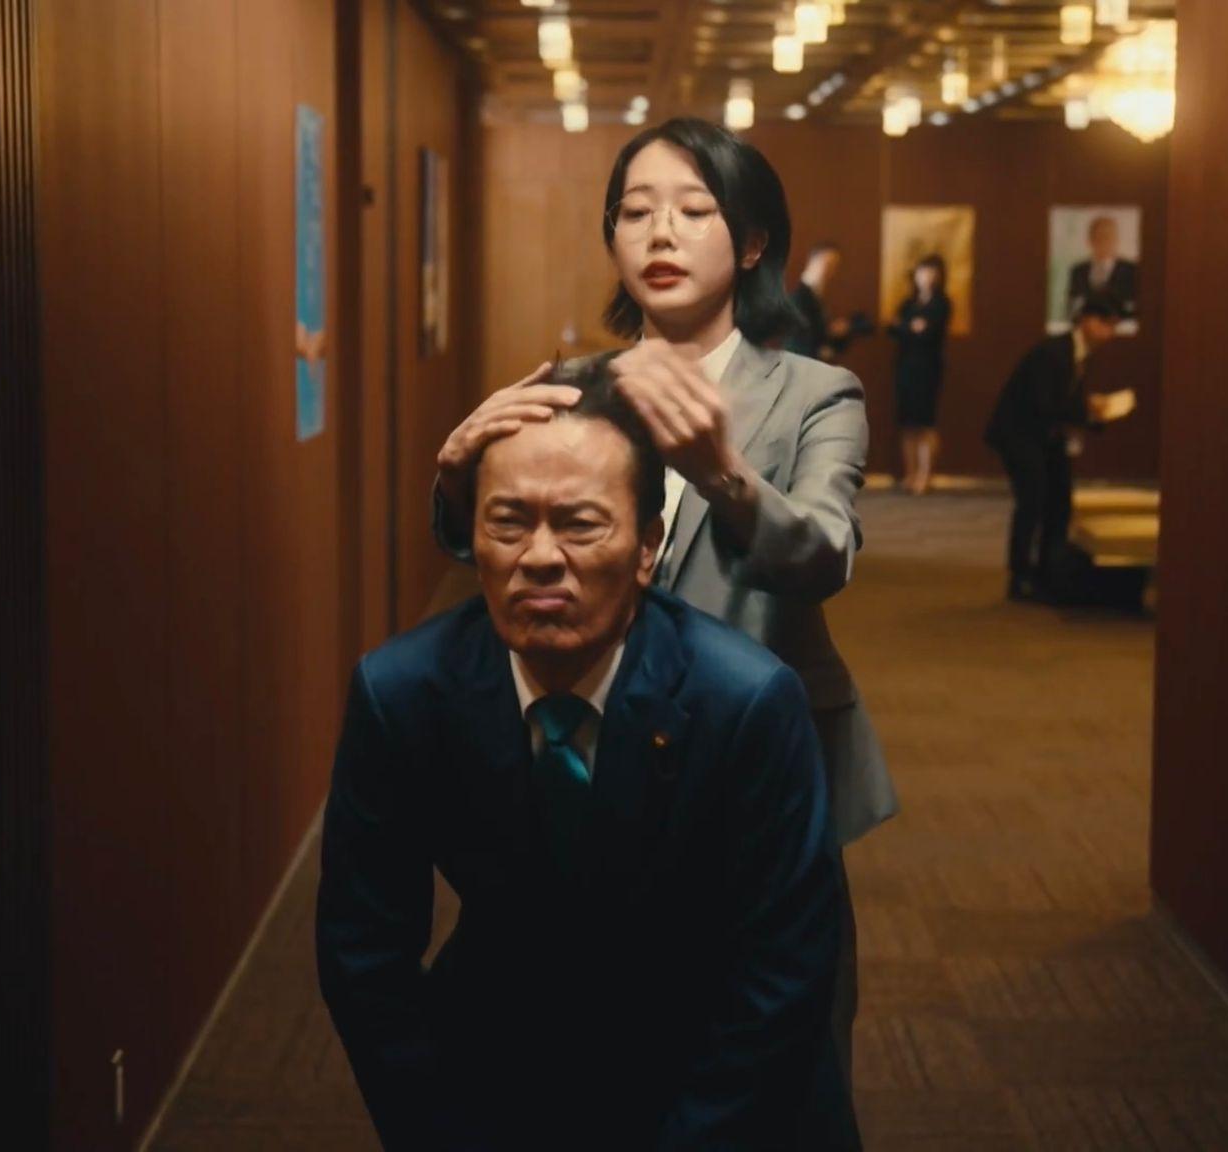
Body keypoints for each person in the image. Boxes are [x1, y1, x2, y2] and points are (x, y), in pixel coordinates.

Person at [428, 116, 896, 1130]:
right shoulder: (572, 387)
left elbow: (823, 554)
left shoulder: (816, 393)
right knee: (596, 1040)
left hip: (762, 760)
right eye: (634, 213)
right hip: (600, 750)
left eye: (692, 210)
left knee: (788, 1040)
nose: (661, 233)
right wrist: (456, 479)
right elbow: (506, 549)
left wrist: (723, 473)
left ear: (753, 241)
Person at [318, 367, 852, 1151]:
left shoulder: (745, 702)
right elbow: (363, 956)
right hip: (501, 1053)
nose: (540, 557)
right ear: (471, 538)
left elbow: (784, 973)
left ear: (647, 549)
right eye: (508, 522)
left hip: (709, 1066)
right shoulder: (402, 693)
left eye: (579, 525)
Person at [984, 292, 1135, 601]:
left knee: (1059, 501)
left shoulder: (1077, 353)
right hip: (1020, 434)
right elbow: (1044, 403)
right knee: (1033, 501)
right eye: (1106, 324)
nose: (1110, 333)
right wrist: (1089, 412)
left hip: (1045, 437)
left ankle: (1047, 571)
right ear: (1087, 321)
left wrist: (1090, 412)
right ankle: (1020, 575)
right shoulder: (1053, 352)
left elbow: (1063, 401)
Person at [885, 254, 952, 495]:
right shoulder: (909, 303)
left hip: (928, 368)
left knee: (925, 424)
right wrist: (910, 327)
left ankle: (925, 475)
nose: (927, 277)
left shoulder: (941, 303)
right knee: (907, 424)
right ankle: (911, 473)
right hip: (905, 367)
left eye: (932, 272)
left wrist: (907, 327)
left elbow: (927, 333)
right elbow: (893, 328)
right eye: (923, 271)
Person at [1065, 214, 1140, 323]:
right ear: (1090, 240)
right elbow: (1071, 309)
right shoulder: (1078, 271)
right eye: (1099, 237)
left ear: (1116, 240)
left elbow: (1135, 309)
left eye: (1108, 237)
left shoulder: (1131, 270)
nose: (1104, 242)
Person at [786, 241, 853, 363]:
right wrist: (824, 350)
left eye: (834, 266)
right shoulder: (798, 296)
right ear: (813, 261)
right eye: (827, 263)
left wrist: (833, 331)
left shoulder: (816, 296)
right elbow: (798, 342)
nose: (831, 270)